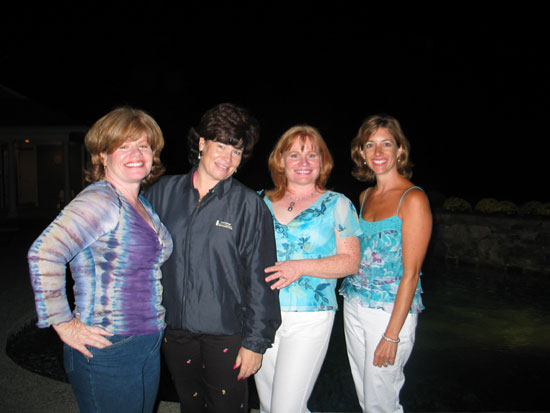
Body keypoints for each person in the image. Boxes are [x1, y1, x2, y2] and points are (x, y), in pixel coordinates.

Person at [27, 107, 173, 412]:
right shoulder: (101, 199)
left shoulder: (141, 204)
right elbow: (44, 253)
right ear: (103, 155)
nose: (136, 154)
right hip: (108, 345)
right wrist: (63, 323)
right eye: (124, 146)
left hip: (145, 341)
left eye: (143, 145)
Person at [144, 103, 281, 413]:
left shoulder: (249, 205)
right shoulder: (162, 193)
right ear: (202, 143)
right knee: (190, 405)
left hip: (226, 334)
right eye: (221, 146)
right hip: (174, 331)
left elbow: (262, 279)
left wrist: (255, 344)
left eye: (236, 151)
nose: (227, 158)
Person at [254, 125, 362, 413]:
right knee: (267, 405)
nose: (303, 162)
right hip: (261, 316)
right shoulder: (258, 201)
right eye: (294, 155)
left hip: (309, 318)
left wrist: (300, 267)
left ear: (322, 161)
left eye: (312, 155)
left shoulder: (338, 204)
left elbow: (351, 261)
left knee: (285, 408)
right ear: (280, 161)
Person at [339, 114, 432, 412]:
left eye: (386, 144)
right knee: (366, 396)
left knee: (382, 400)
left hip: (390, 314)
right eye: (370, 145)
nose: (378, 152)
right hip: (354, 303)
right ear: (361, 152)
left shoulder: (413, 199)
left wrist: (391, 335)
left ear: (400, 150)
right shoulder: (365, 196)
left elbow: (412, 274)